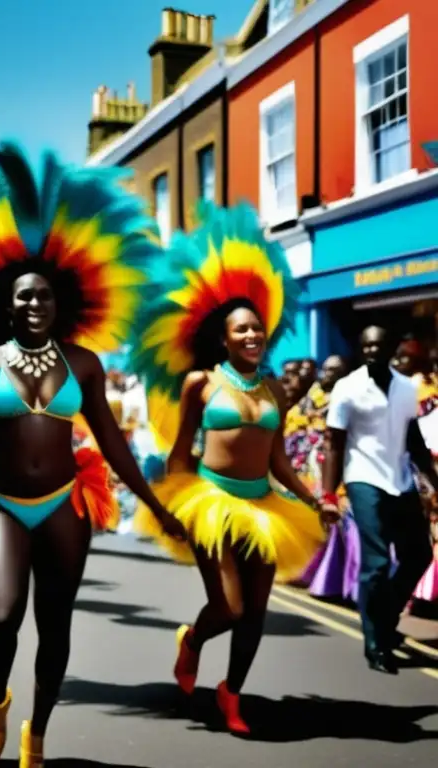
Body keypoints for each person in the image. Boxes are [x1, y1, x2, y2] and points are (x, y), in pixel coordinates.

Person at [0, 143, 180, 767]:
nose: (33, 305)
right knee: (2, 611)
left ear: (59, 302)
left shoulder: (86, 365)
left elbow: (114, 440)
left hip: (67, 502)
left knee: (56, 624)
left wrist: (155, 502)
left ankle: (37, 729)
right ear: (3, 304)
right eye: (22, 298)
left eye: (43, 297)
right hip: (3, 504)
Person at [131, 203, 330, 734]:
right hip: (211, 501)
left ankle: (232, 693)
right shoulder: (201, 383)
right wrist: (173, 501)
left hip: (264, 504)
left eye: (257, 329)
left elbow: (278, 457)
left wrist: (310, 499)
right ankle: (193, 640)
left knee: (256, 614)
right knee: (230, 607)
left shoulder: (275, 392)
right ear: (224, 338)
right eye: (241, 330)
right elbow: (180, 449)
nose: (251, 336)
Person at [322, 325, 436, 674]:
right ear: (361, 349)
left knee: (419, 555)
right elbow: (333, 442)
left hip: (399, 481)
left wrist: (433, 481)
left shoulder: (406, 387)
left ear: (391, 349)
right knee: (376, 563)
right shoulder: (348, 388)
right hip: (363, 478)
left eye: (378, 345)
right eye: (366, 345)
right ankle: (376, 643)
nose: (371, 351)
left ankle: (384, 619)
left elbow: (413, 438)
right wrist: (328, 493)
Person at [286, 355, 358, 601]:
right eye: (325, 370)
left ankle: (330, 577)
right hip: (305, 463)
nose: (327, 374)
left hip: (331, 465)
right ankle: (303, 568)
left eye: (334, 370)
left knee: (331, 521)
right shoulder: (311, 396)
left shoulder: (345, 397)